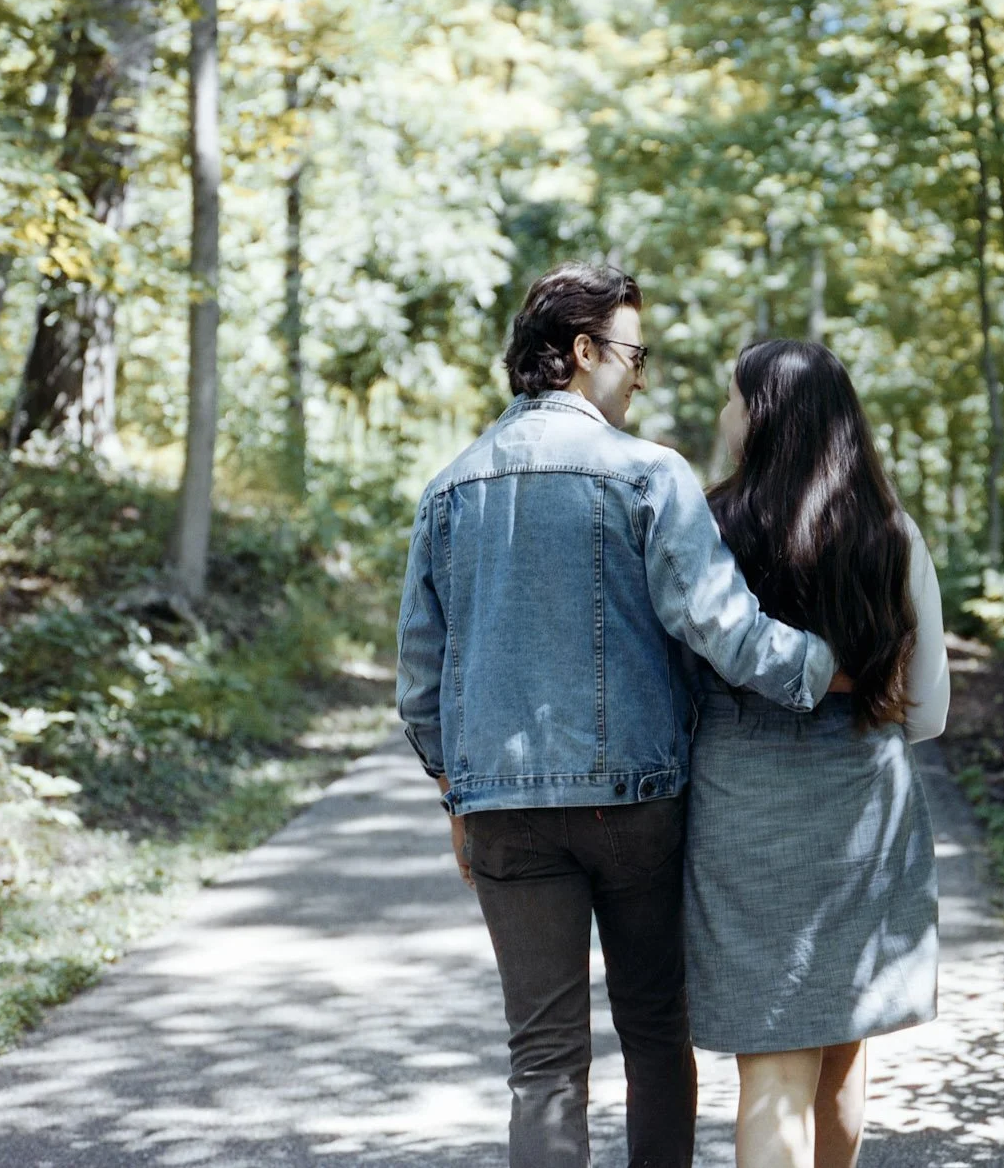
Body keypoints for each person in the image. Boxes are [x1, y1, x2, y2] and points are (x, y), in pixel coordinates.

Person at [395, 266, 839, 1168]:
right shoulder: (647, 474)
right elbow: (725, 629)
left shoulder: (449, 487)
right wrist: (838, 667)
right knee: (652, 1031)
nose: (642, 376)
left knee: (544, 1062)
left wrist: (455, 790)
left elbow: (419, 676)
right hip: (635, 804)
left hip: (501, 814)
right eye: (634, 354)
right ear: (584, 352)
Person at [683, 339, 951, 1168]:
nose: (724, 416)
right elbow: (930, 711)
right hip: (864, 820)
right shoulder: (891, 535)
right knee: (843, 1055)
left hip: (744, 815)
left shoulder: (709, 531)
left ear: (759, 418)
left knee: (772, 1076)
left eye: (731, 399)